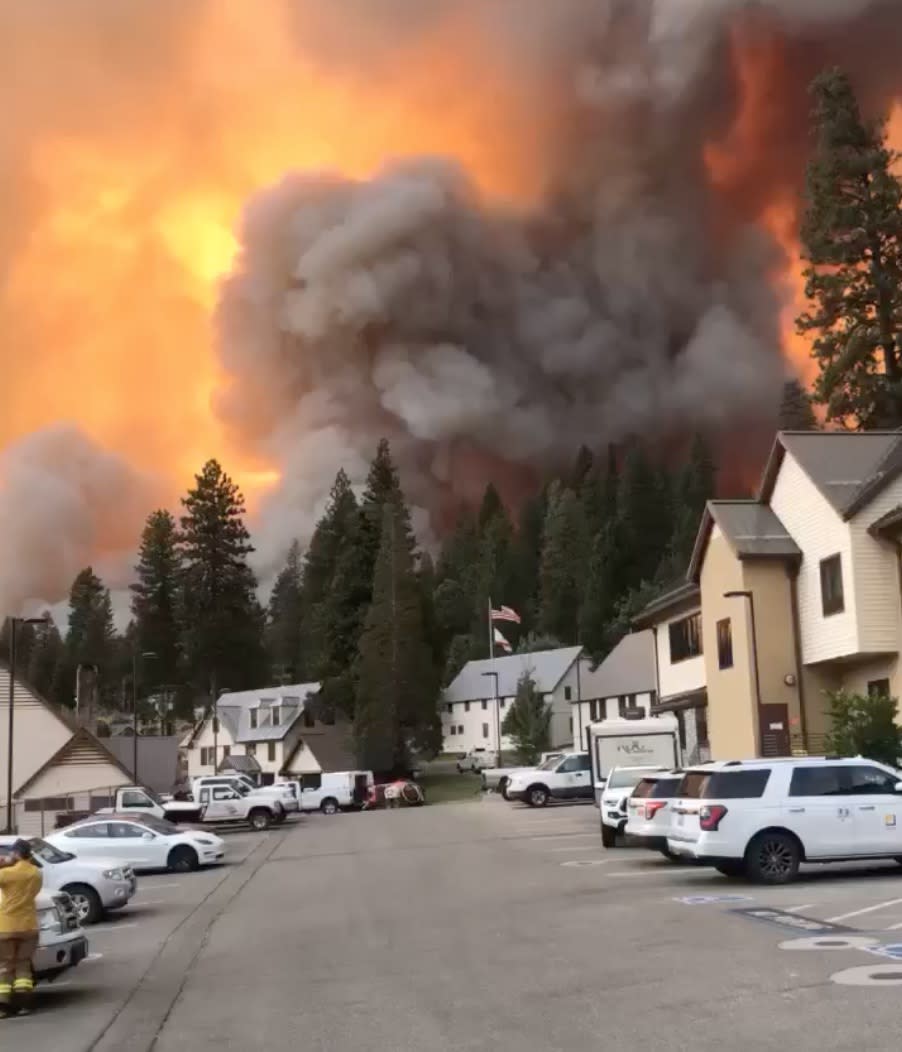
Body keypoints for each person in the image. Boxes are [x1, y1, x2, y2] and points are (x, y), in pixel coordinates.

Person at [0, 839, 43, 1019]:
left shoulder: (7, 874)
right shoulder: (36, 873)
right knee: (23, 965)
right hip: (29, 926)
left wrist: (6, 864)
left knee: (5, 966)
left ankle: (3, 1007)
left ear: (16, 853)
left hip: (7, 927)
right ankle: (24, 1003)